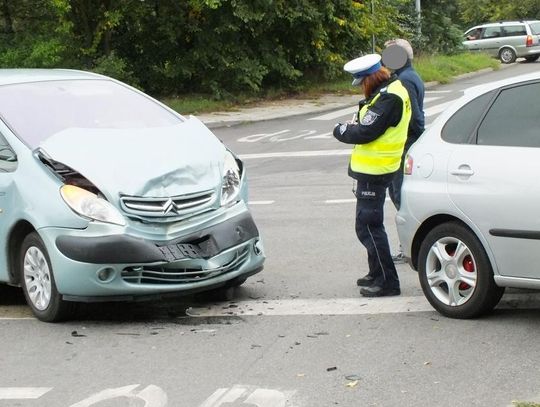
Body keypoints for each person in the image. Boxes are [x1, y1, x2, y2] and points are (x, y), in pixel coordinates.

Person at [333, 54, 411, 297]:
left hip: (376, 171)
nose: (361, 88)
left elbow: (365, 131)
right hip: (375, 169)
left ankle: (387, 281)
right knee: (365, 224)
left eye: (362, 82)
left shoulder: (388, 98)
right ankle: (376, 272)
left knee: (369, 226)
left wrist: (341, 129)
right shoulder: (390, 90)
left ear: (370, 78)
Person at [383, 38, 425, 264]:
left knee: (399, 194)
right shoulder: (411, 75)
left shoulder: (405, 80)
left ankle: (407, 246)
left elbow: (416, 116)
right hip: (408, 142)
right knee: (398, 192)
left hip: (405, 143)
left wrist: (415, 140)